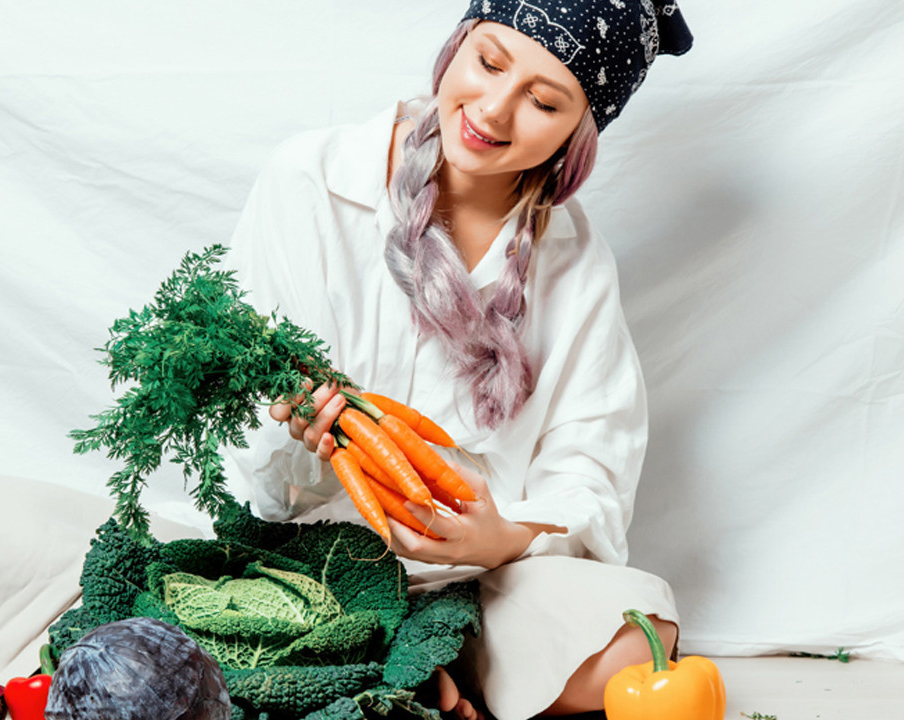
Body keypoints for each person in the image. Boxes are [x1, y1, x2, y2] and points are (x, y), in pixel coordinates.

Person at [217, 1, 694, 717]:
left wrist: (505, 536)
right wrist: (305, 449)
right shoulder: (310, 181)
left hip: (481, 581)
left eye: (543, 100)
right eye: (490, 63)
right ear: (458, 45)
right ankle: (415, 664)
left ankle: (408, 662)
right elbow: (246, 469)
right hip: (301, 565)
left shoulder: (577, 264)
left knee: (638, 634)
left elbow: (591, 469)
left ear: (580, 131)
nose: (493, 113)